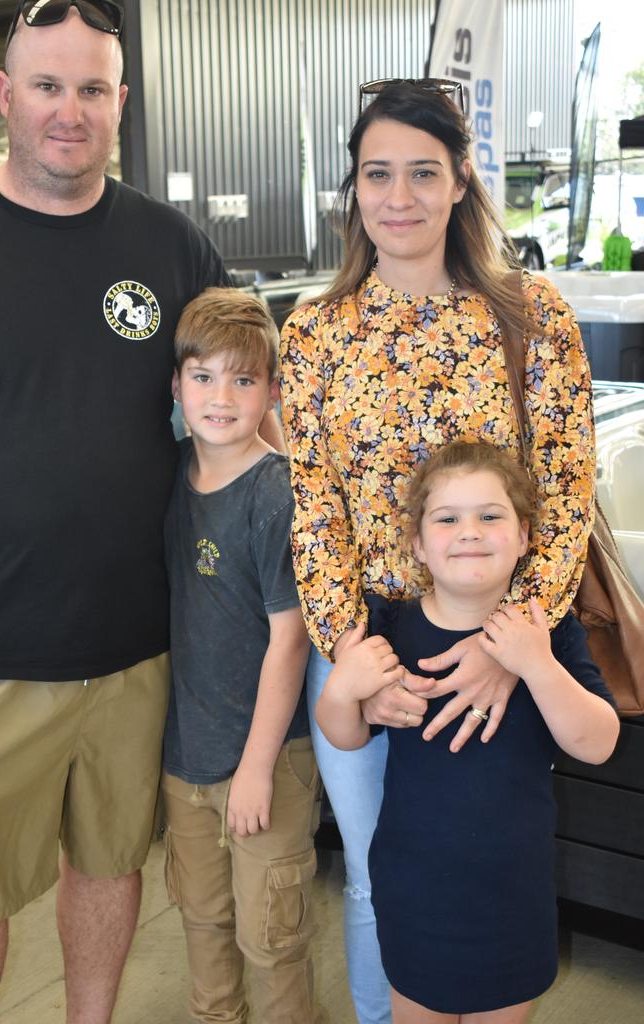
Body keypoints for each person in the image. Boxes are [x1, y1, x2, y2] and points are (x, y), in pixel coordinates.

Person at [0, 2, 231, 1022]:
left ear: (121, 102)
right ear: (5, 94)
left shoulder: (172, 247)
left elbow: (241, 413)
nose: (67, 110)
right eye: (46, 85)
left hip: (136, 650)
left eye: (91, 89)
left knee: (111, 866)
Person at [279, 79, 596, 1024]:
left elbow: (567, 488)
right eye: (378, 174)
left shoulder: (531, 314)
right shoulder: (316, 331)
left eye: (424, 172)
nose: (400, 197)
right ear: (356, 189)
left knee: (483, 863)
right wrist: (352, 661)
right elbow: (314, 512)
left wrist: (512, 645)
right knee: (382, 878)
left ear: (462, 180)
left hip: (505, 634)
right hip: (370, 645)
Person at [316, 439, 619, 1023]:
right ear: (419, 545)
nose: (469, 532)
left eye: (490, 516)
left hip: (512, 894)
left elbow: (599, 741)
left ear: (525, 536)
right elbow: (347, 736)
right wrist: (341, 688)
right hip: (413, 890)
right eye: (448, 518)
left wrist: (535, 664)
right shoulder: (389, 627)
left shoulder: (546, 634)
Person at [162, 287, 319, 1024]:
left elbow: (289, 639)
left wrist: (255, 769)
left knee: (272, 938)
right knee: (202, 921)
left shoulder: (275, 495)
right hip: (186, 760)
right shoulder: (170, 479)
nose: (220, 397)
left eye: (243, 379)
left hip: (266, 763)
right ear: (177, 385)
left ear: (271, 392)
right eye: (203, 376)